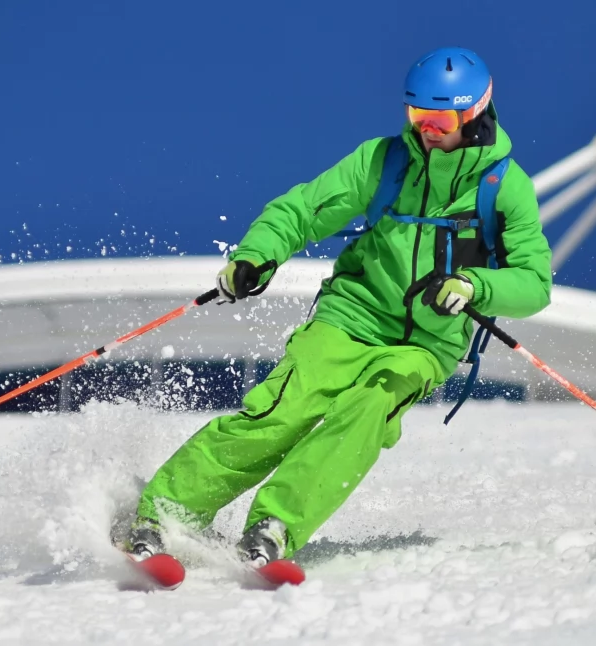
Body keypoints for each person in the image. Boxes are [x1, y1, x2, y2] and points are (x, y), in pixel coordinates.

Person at [118, 46, 553, 567]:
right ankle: (164, 512)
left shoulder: (505, 188)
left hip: (426, 343)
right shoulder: (385, 162)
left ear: (474, 113)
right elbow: (301, 210)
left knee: (368, 409)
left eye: (440, 118)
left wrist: (475, 286)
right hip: (352, 315)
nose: (426, 129)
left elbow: (534, 282)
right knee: (283, 410)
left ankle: (276, 524)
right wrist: (256, 257)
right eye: (417, 114)